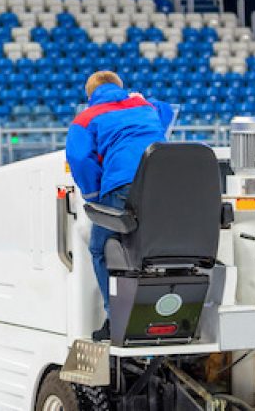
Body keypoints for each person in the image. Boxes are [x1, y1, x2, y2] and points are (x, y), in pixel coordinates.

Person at [65, 70, 175, 340]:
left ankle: (116, 320)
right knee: (155, 248)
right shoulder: (145, 105)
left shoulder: (85, 118)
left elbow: (79, 159)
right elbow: (168, 111)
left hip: (122, 187)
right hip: (163, 183)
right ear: (121, 87)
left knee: (100, 248)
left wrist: (93, 196)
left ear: (90, 95)